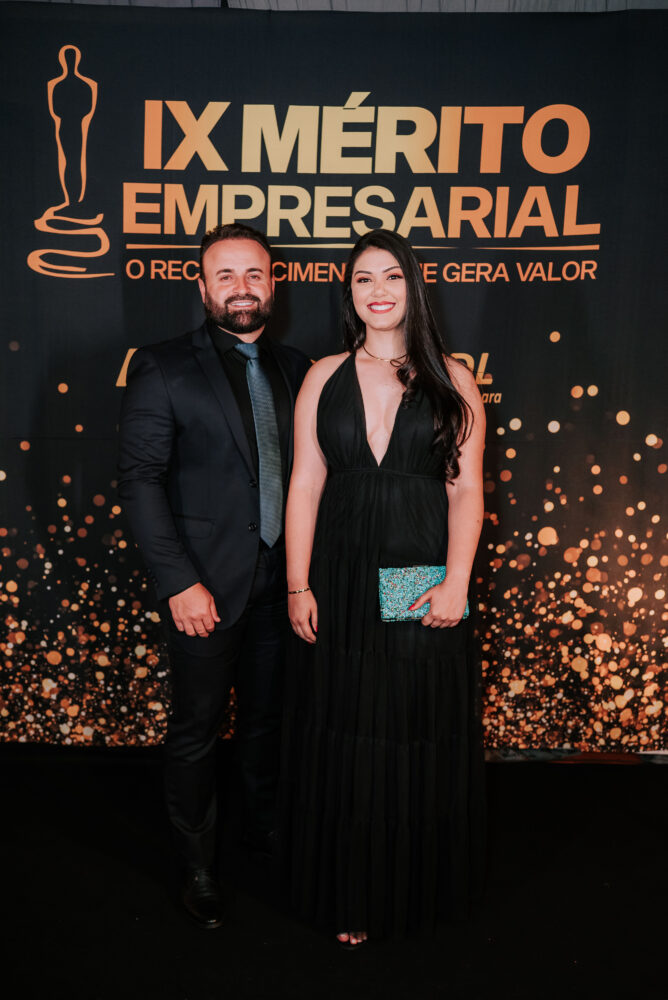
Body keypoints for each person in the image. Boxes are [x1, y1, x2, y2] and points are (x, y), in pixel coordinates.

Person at [281, 229, 486, 946]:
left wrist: (457, 581)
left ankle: (409, 889)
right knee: (345, 729)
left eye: (392, 276)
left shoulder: (452, 378)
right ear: (350, 292)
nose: (378, 290)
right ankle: (353, 896)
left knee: (405, 725)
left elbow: (466, 491)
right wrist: (297, 584)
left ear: (413, 286)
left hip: (417, 572)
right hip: (337, 574)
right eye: (364, 278)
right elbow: (305, 484)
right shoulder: (323, 375)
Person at [118, 223, 310, 929]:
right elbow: (140, 480)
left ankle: (263, 832)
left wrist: (304, 579)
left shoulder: (300, 368)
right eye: (225, 275)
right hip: (203, 588)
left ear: (274, 283)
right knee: (197, 728)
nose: (241, 288)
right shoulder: (163, 365)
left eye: (254, 273)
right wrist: (178, 582)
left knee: (265, 722)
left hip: (283, 586)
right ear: (202, 288)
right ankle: (198, 864)